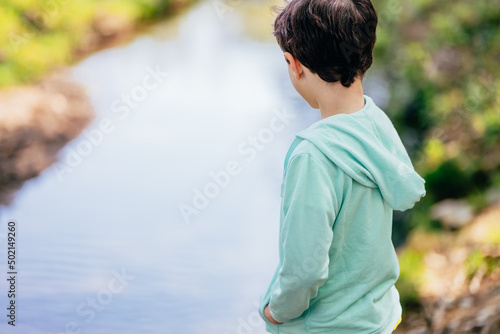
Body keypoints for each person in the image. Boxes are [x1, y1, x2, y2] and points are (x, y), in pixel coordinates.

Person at [257, 0, 426, 333]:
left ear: (294, 65)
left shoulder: (312, 156)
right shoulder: (374, 121)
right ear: (365, 51)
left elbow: (305, 270)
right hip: (377, 318)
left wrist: (277, 311)